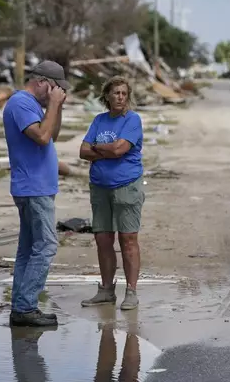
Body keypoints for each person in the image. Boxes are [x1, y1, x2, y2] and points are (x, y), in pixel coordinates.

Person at [3, 60, 69, 327]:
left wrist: (58, 106)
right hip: (33, 188)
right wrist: (52, 105)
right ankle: (26, 307)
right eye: (53, 88)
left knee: (29, 250)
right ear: (41, 82)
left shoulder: (34, 106)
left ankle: (22, 306)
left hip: (39, 186)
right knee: (46, 246)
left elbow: (52, 134)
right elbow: (41, 137)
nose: (54, 94)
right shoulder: (20, 103)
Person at [78, 75, 145, 311]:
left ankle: (131, 291)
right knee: (103, 239)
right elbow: (82, 151)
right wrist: (104, 150)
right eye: (116, 93)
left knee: (128, 239)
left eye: (124, 93)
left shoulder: (132, 120)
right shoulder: (99, 120)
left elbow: (119, 149)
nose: (120, 97)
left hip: (126, 185)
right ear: (106, 96)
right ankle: (106, 290)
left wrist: (98, 148)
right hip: (100, 187)